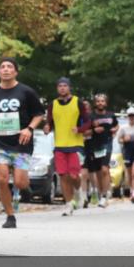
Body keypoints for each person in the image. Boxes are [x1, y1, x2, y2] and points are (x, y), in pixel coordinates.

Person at [0, 58, 45, 229]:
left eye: (10, 67)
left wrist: (29, 129)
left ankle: (25, 188)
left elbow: (39, 114)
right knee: (2, 178)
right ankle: (10, 216)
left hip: (21, 142)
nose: (6, 69)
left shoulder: (26, 92)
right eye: (3, 67)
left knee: (19, 182)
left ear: (16, 72)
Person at [43, 78, 87, 216]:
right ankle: (68, 204)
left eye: (65, 86)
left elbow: (87, 121)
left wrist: (80, 129)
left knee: (74, 175)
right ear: (57, 88)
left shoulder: (77, 102)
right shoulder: (53, 104)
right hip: (59, 145)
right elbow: (49, 122)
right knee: (63, 175)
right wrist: (47, 128)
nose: (62, 88)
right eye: (60, 86)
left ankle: (79, 192)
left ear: (69, 88)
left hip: (75, 144)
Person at [83, 94, 119, 208]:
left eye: (102, 101)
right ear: (95, 103)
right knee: (98, 172)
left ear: (106, 103)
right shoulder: (90, 116)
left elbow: (116, 125)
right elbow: (85, 132)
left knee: (104, 169)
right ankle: (102, 193)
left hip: (107, 144)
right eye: (98, 101)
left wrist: (114, 130)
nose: (100, 103)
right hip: (95, 145)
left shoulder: (111, 115)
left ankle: (104, 196)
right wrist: (94, 130)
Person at [119, 108, 134, 202]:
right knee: (129, 174)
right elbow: (119, 140)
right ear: (127, 117)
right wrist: (124, 139)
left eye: (133, 116)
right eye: (130, 116)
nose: (131, 117)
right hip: (127, 152)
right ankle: (131, 190)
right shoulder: (123, 127)